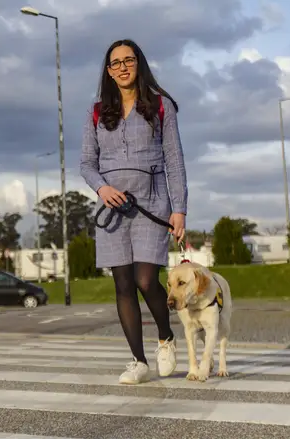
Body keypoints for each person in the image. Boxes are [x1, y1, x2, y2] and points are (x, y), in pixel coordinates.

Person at [79, 39, 188, 385]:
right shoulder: (96, 111)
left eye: (129, 60)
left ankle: (166, 337)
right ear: (108, 72)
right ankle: (138, 361)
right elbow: (86, 163)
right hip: (112, 207)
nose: (123, 67)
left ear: (139, 64)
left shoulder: (160, 107)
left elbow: (174, 160)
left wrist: (179, 209)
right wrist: (102, 188)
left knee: (145, 279)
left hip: (152, 203)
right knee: (123, 284)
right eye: (116, 63)